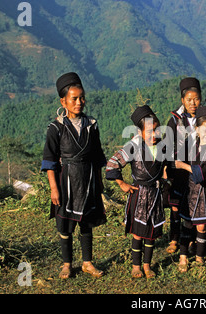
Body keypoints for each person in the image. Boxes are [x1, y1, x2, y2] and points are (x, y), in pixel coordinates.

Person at [41, 72, 107, 279]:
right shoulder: (56, 128)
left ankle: (87, 263)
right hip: (66, 180)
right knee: (65, 224)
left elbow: (97, 155)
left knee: (86, 223)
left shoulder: (91, 125)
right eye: (74, 99)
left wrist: (99, 182)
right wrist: (54, 188)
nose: (79, 102)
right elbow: (50, 161)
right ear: (63, 101)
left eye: (82, 98)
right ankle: (67, 264)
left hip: (87, 180)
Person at [105, 105, 167, 278]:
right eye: (149, 131)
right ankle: (136, 265)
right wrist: (121, 183)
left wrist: (165, 177)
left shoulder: (162, 146)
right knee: (138, 233)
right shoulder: (132, 146)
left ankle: (147, 265)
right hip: (139, 194)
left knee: (151, 234)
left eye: (156, 130)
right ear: (139, 132)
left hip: (155, 195)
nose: (154, 135)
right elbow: (112, 164)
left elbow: (167, 164)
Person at [175, 106, 206, 272]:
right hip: (189, 191)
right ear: (196, 129)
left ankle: (200, 257)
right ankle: (183, 256)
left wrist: (184, 166)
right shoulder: (189, 145)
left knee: (202, 227)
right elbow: (176, 159)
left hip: (205, 192)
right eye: (205, 130)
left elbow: (204, 172)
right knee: (187, 224)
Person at [164, 77, 202, 254]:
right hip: (178, 169)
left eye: (196, 99)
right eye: (189, 100)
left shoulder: (205, 117)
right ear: (182, 100)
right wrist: (166, 167)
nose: (193, 103)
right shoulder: (175, 120)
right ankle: (174, 238)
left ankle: (192, 238)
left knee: (194, 203)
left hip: (197, 168)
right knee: (176, 205)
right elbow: (167, 143)